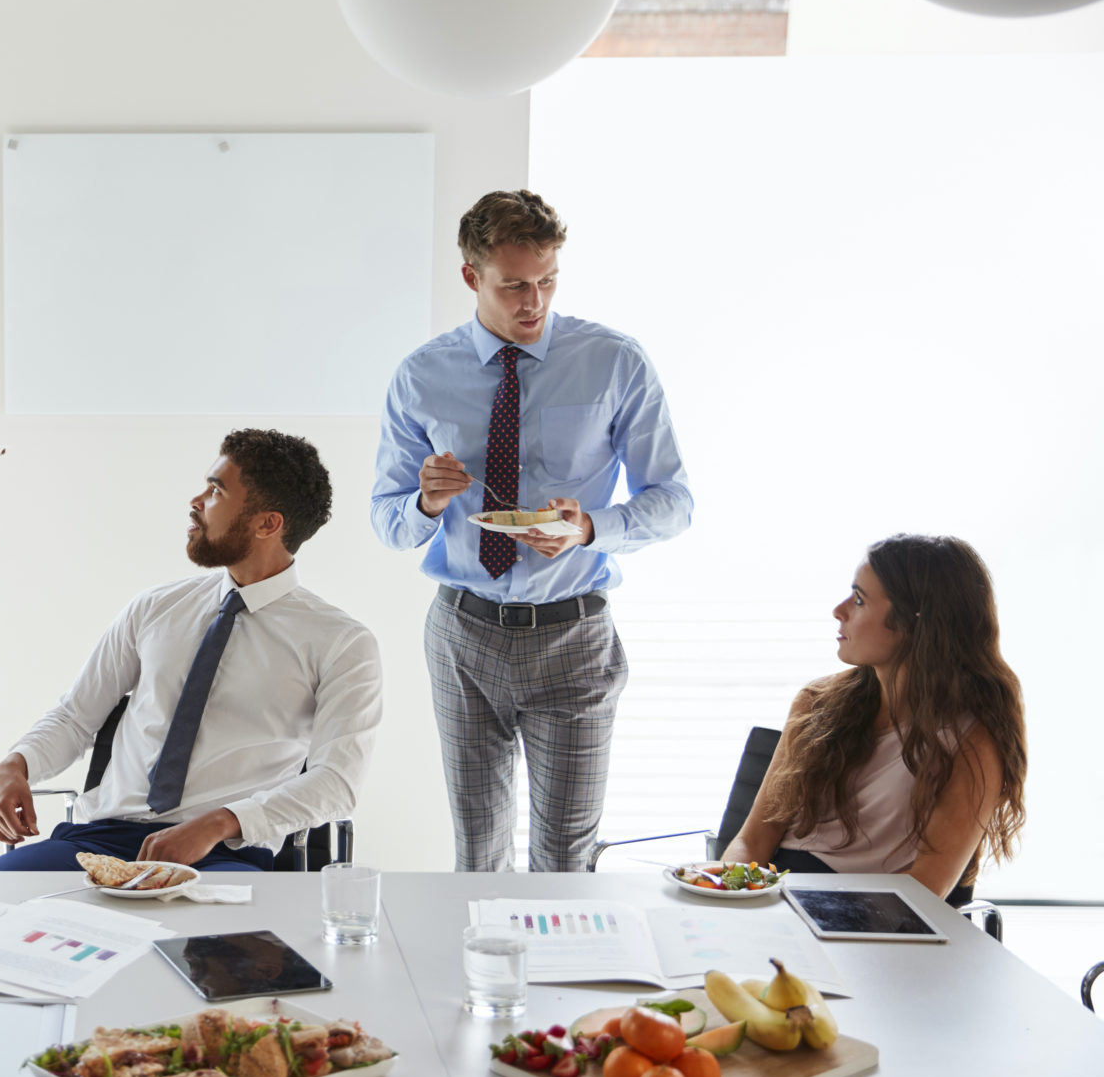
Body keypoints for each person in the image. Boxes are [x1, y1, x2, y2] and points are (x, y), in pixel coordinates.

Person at [371, 188, 693, 873]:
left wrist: (590, 530)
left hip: (574, 636)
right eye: (514, 285)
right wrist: (425, 503)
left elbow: (674, 501)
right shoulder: (421, 377)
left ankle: (560, 977)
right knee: (478, 849)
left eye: (547, 281)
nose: (533, 302)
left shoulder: (614, 362)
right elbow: (387, 522)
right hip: (463, 633)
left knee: (565, 857)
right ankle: (484, 983)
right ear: (471, 277)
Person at [0, 430, 382, 872]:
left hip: (225, 854)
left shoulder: (342, 642)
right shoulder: (155, 608)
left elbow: (337, 782)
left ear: (268, 524)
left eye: (216, 490)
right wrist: (15, 764)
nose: (196, 500)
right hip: (103, 840)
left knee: (221, 940)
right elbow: (77, 716)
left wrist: (219, 823)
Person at [721, 535, 1026, 902]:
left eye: (860, 599)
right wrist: (727, 894)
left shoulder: (973, 738)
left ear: (915, 622)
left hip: (876, 919)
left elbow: (926, 889)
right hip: (776, 901)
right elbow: (752, 840)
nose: (839, 610)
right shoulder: (814, 703)